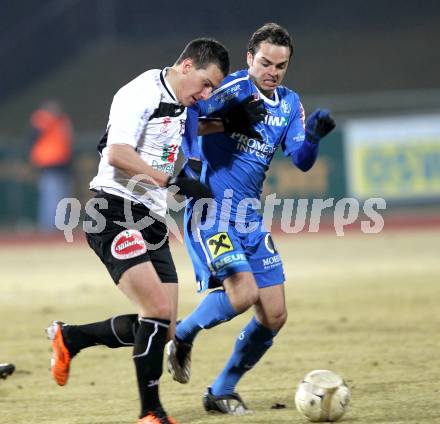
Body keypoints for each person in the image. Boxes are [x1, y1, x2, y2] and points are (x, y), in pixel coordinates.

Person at [46, 38, 231, 424]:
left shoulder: (183, 103)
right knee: (157, 312)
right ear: (185, 66)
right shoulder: (140, 92)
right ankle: (151, 413)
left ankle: (72, 338)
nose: (206, 93)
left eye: (213, 88)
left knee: (162, 329)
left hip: (150, 218)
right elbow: (115, 153)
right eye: (206, 83)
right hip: (113, 211)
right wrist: (169, 179)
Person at [166, 23, 336, 415]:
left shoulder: (290, 104)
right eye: (264, 62)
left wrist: (311, 136)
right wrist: (194, 164)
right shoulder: (233, 87)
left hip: (249, 218)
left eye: (280, 65)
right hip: (211, 211)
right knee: (242, 295)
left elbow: (302, 161)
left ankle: (221, 390)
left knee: (274, 314)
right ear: (249, 58)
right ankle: (183, 335)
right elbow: (189, 113)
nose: (271, 72)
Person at [29, 100, 73, 232]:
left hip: (62, 165)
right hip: (49, 165)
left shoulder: (61, 121)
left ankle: (58, 226)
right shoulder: (43, 119)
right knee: (51, 196)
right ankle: (49, 228)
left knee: (61, 196)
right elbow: (32, 137)